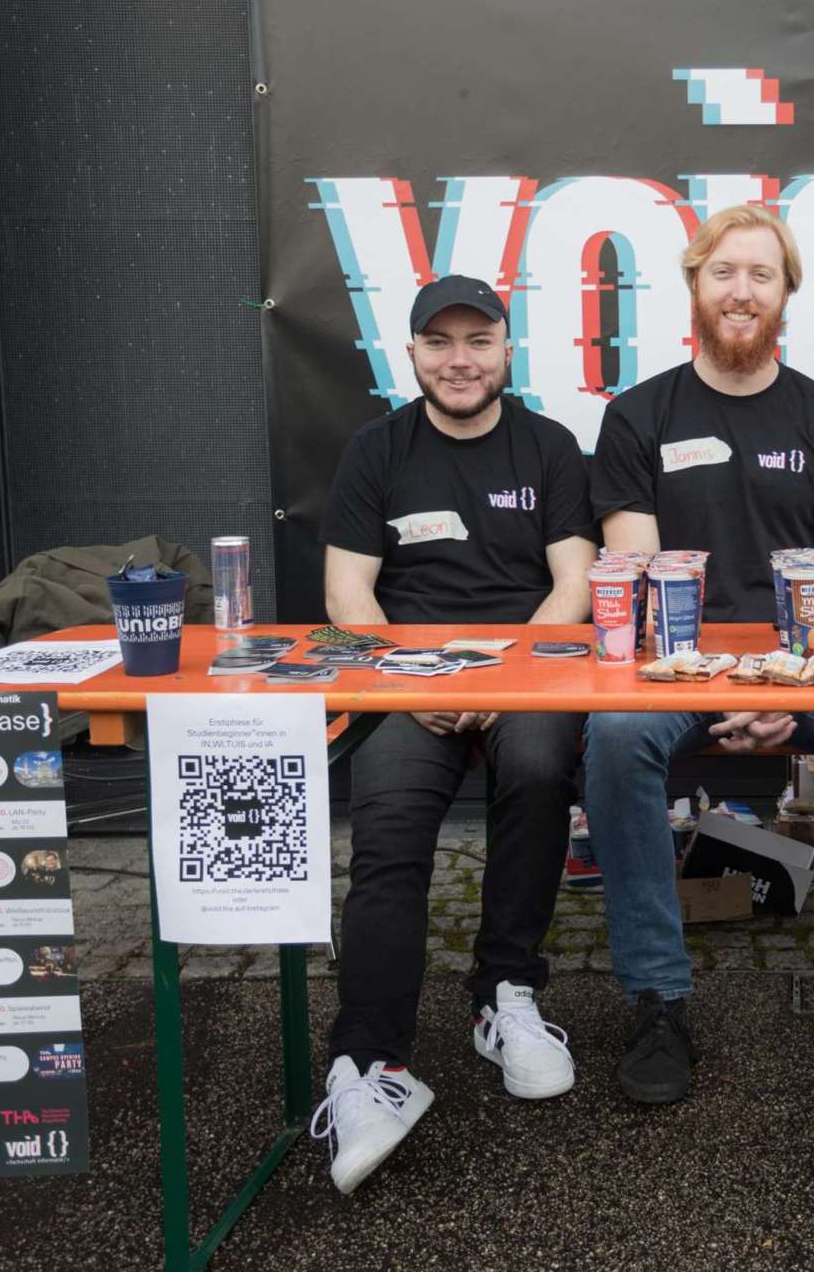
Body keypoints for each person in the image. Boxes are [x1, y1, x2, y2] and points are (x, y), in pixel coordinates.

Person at [586, 204, 814, 1104]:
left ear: (786, 296)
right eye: (724, 272)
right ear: (695, 285)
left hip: (801, 669)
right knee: (616, 738)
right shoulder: (636, 415)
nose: (742, 291)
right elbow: (643, 581)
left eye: (761, 275)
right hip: (678, 669)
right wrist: (725, 682)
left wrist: (785, 690)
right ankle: (659, 997)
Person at [310, 275, 597, 1196]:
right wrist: (405, 677)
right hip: (408, 682)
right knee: (387, 830)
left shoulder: (549, 447)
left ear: (508, 348)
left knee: (545, 766)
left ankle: (505, 995)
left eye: (479, 340)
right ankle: (369, 1064)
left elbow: (574, 585)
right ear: (415, 355)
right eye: (441, 343)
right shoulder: (377, 449)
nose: (460, 359)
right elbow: (348, 594)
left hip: (524, 675)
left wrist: (505, 680)